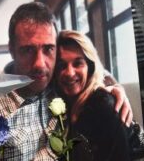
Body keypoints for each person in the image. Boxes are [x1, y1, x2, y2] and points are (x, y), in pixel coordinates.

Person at [0, 2, 133, 161]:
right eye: (28, 50)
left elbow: (89, 70)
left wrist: (112, 86)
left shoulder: (57, 85)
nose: (40, 64)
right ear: (11, 49)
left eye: (48, 49)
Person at [55, 30, 132, 161]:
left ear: (89, 67)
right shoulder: (63, 103)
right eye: (62, 65)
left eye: (78, 63)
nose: (69, 73)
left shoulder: (102, 106)